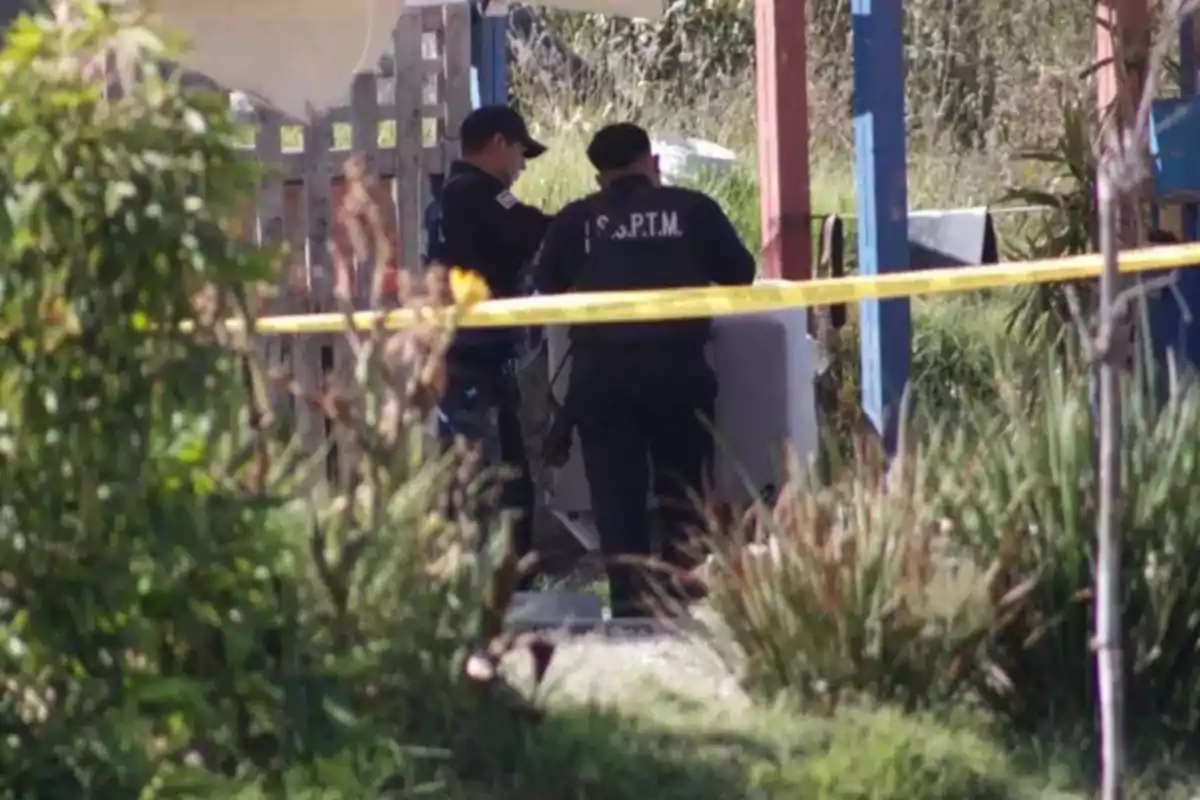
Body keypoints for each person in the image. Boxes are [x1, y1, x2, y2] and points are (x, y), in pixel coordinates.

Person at [533, 122, 756, 617]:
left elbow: (546, 284)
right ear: (651, 163)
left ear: (599, 176)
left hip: (602, 380)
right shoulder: (693, 209)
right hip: (678, 373)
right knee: (684, 493)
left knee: (618, 502)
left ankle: (631, 609)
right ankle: (683, 601)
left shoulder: (578, 219)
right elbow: (741, 273)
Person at [428, 105, 552, 590]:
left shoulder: (451, 196)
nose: (522, 165)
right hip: (476, 358)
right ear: (499, 143)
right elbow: (528, 230)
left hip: (474, 356)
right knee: (491, 480)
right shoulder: (477, 193)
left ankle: (498, 580)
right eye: (521, 152)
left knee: (493, 473)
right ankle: (495, 583)